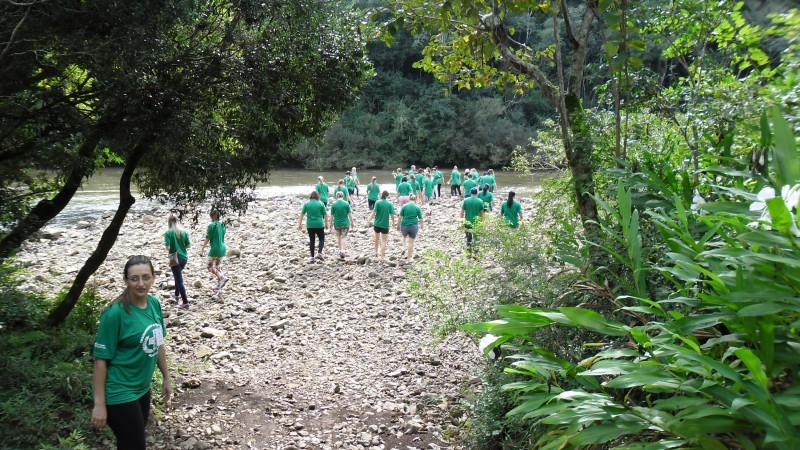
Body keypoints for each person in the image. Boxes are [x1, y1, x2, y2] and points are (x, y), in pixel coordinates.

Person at [92, 255, 172, 450]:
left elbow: (158, 343)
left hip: (142, 388)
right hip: (119, 391)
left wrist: (166, 377)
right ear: (126, 280)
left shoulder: (154, 304)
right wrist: (99, 404)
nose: (141, 283)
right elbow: (100, 361)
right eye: (134, 278)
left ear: (154, 277)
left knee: (129, 443)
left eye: (146, 277)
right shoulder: (115, 313)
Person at [164, 215, 191, 309]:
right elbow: (188, 245)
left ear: (169, 222)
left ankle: (185, 302)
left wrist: (172, 246)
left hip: (175, 258)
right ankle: (176, 294)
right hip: (184, 258)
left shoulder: (168, 233)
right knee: (177, 275)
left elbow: (168, 247)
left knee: (179, 280)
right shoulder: (184, 232)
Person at [199, 210, 228, 290]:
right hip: (222, 248)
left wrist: (203, 247)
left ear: (211, 216)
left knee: (209, 267)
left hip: (215, 249)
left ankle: (222, 277)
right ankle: (219, 286)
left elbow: (208, 238)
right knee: (218, 267)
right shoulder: (223, 225)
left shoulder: (211, 225)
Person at [298, 191, 329, 263]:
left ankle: (312, 257)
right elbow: (325, 214)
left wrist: (299, 224)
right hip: (319, 224)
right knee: (321, 239)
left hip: (310, 225)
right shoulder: (321, 203)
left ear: (310, 196)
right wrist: (326, 223)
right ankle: (319, 253)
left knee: (312, 240)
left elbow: (302, 214)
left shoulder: (307, 204)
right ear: (317, 196)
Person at [368, 191, 397, 260]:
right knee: (384, 241)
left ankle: (375, 252)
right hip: (385, 225)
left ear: (381, 195)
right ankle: (382, 257)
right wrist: (393, 222)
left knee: (377, 238)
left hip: (377, 224)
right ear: (387, 196)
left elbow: (373, 212)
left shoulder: (378, 202)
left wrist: (368, 220)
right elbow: (392, 215)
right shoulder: (390, 204)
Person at [398, 193, 424, 261]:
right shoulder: (417, 207)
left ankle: (403, 247)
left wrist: (398, 225)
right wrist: (422, 226)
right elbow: (421, 219)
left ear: (409, 199)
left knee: (404, 236)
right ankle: (409, 258)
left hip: (404, 225)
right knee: (411, 242)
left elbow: (400, 217)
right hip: (414, 226)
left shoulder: (404, 206)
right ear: (415, 199)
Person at [329, 191, 354, 258]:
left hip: (337, 223)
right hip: (345, 223)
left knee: (339, 237)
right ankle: (343, 250)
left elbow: (331, 216)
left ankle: (340, 250)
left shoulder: (334, 204)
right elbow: (349, 214)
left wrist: (330, 224)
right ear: (343, 196)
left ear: (336, 196)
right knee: (344, 236)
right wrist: (352, 222)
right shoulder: (346, 204)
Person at [461, 187, 485, 254]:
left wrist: (461, 221)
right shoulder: (480, 201)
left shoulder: (466, 200)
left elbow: (462, 212)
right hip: (476, 222)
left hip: (467, 221)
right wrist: (482, 222)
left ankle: (469, 252)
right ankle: (476, 252)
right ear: (477, 193)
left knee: (468, 238)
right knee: (476, 238)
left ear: (470, 193)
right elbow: (482, 213)